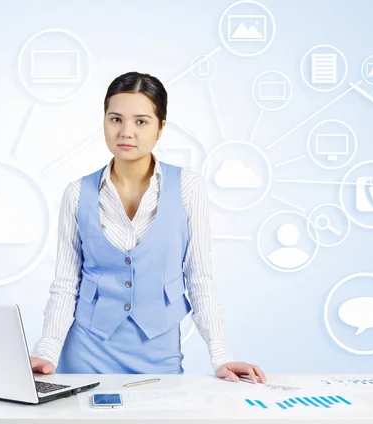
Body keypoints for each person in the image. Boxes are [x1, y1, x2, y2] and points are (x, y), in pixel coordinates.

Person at [29, 71, 266, 384]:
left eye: (141, 121)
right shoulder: (77, 193)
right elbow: (65, 283)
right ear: (104, 121)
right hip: (86, 352)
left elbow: (199, 276)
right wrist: (47, 350)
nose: (126, 131)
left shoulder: (187, 188)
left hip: (158, 353)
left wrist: (220, 355)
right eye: (116, 119)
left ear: (160, 127)